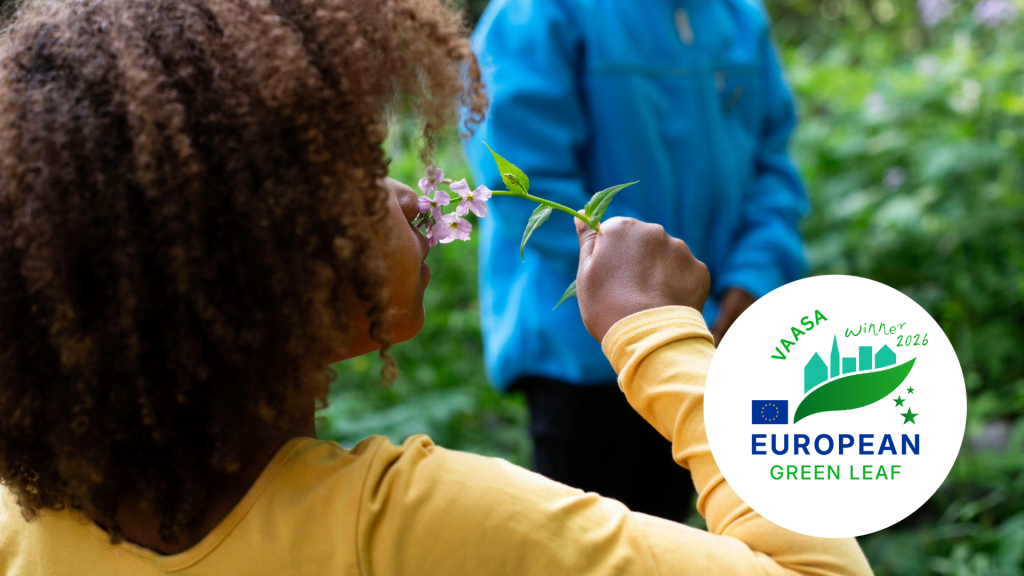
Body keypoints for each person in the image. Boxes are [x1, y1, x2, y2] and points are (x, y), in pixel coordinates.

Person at [0, 0, 871, 574]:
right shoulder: (429, 526)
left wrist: (749, 277)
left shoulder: (25, 528)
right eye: (362, 170)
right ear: (248, 263)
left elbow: (771, 162)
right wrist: (661, 337)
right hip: (596, 352)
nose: (410, 193)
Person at [463, 0, 809, 521]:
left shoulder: (738, 17)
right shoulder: (539, 14)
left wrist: (751, 280)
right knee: (588, 544)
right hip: (581, 358)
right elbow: (524, 180)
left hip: (708, 340)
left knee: (678, 534)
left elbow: (774, 168)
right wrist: (639, 302)